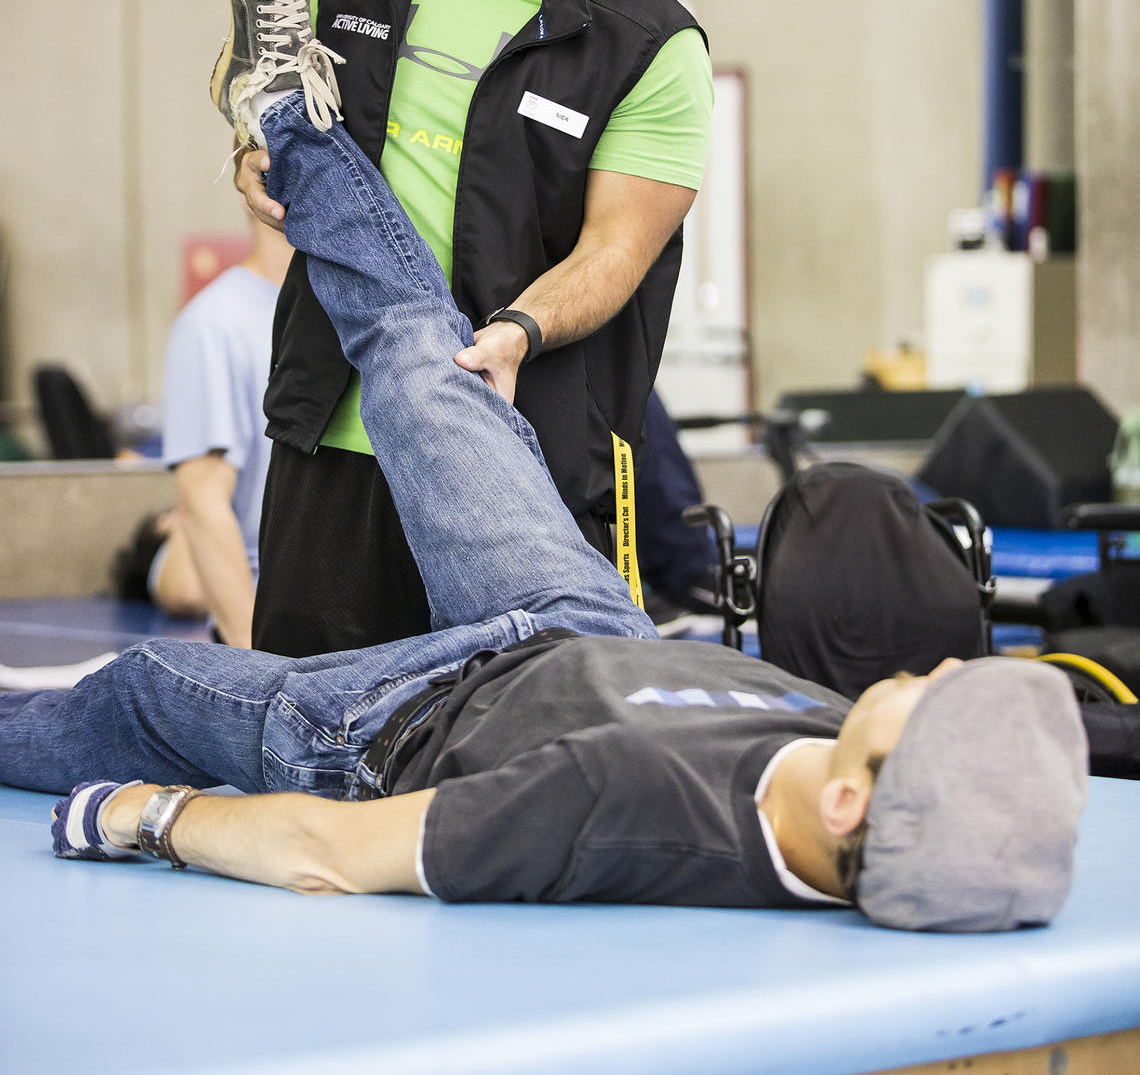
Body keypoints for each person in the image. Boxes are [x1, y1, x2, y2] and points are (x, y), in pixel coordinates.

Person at [1, 89, 1089, 934]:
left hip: (394, 719)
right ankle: (288, 105)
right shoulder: (837, 737)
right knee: (430, 362)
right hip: (586, 626)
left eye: (942, 707)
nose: (948, 670)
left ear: (850, 807)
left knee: (146, 687)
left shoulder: (623, 804)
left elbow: (326, 850)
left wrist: (146, 816)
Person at [226, 0, 714, 655]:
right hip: (337, 431)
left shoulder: (648, 42)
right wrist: (261, 160)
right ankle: (272, 105)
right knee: (301, 712)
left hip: (525, 448)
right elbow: (331, 163)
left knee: (524, 722)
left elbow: (618, 252)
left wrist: (518, 330)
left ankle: (270, 97)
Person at [146, 194, 293, 646]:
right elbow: (203, 502)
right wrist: (258, 664)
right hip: (276, 609)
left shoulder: (353, 311)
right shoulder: (214, 324)